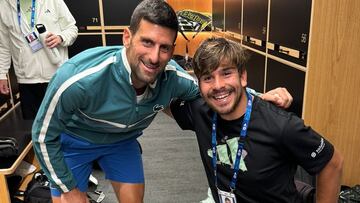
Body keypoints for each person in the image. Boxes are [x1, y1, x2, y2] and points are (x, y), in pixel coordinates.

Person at [31, 1, 292, 203]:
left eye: (165, 47)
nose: (155, 57)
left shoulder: (173, 78)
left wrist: (258, 96)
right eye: (147, 42)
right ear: (126, 37)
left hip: (121, 143)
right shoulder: (78, 78)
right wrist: (68, 186)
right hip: (75, 143)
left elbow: (217, 90)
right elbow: (43, 136)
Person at [169, 37, 343, 203]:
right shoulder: (200, 111)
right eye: (208, 78)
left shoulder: (280, 124)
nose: (218, 85)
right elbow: (158, 97)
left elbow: (332, 163)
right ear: (199, 84)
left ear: (243, 77)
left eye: (226, 73)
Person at [0, 0, 78, 120]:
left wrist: (60, 38)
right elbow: (3, 45)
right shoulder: (4, 5)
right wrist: (1, 74)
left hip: (56, 75)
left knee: (63, 124)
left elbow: (72, 28)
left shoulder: (53, 1)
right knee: (33, 126)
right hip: (27, 79)